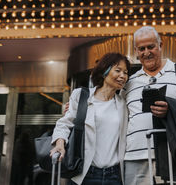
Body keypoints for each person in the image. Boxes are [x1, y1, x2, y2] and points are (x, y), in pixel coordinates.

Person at [123, 26, 176, 184]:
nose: (146, 52)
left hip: (175, 156)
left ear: (161, 45)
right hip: (135, 158)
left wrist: (171, 109)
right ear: (136, 51)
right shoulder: (129, 82)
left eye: (151, 46)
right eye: (141, 48)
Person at [50, 52, 130, 185]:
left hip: (114, 176)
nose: (123, 76)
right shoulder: (81, 96)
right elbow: (64, 123)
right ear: (105, 71)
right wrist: (59, 144)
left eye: (126, 72)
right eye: (118, 70)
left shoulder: (124, 103)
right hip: (85, 174)